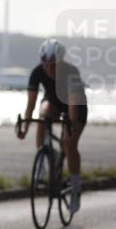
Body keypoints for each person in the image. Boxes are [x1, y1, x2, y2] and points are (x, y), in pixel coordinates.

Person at [17, 38, 88, 213]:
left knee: (69, 144)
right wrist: (25, 128)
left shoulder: (71, 72)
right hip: (54, 102)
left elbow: (72, 106)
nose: (49, 69)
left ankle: (76, 186)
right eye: (45, 64)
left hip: (75, 105)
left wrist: (71, 127)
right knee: (43, 115)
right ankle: (44, 157)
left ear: (61, 61)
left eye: (53, 65)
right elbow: (31, 104)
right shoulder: (37, 72)